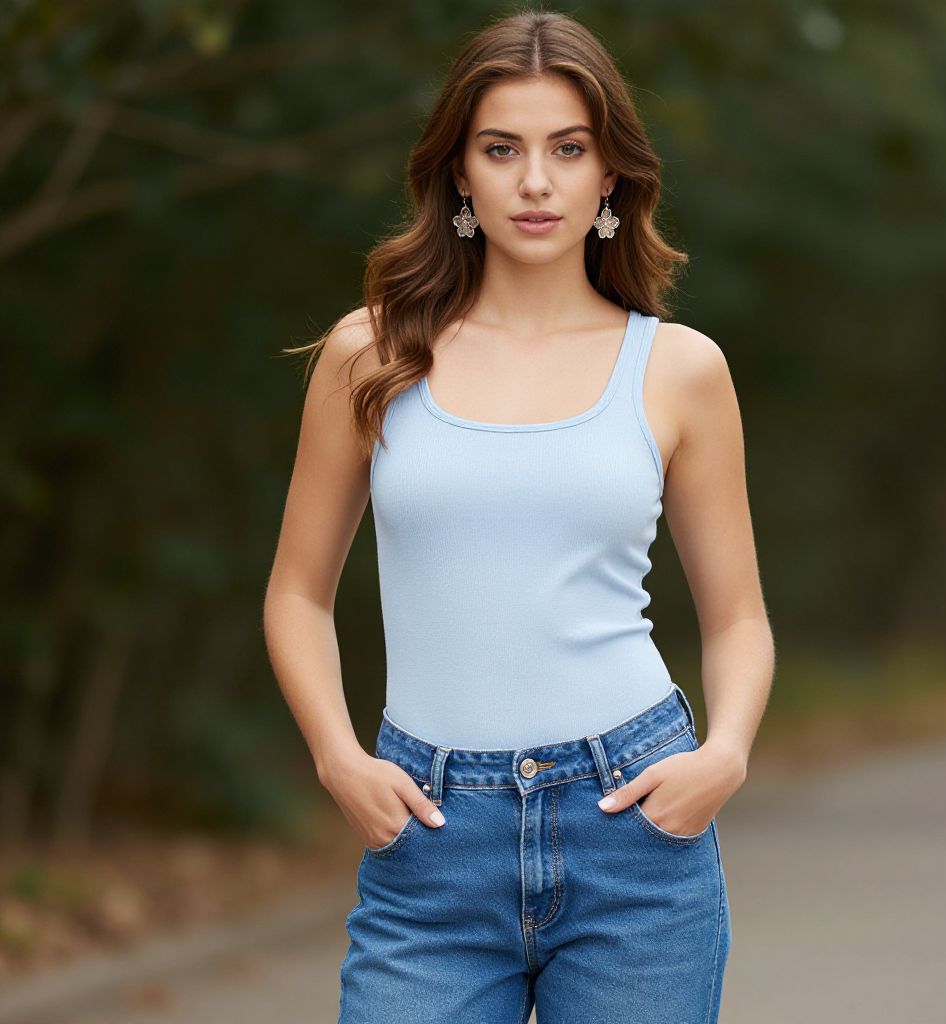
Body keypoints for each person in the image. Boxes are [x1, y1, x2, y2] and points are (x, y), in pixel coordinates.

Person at [263, 10, 774, 1023]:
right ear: (459, 173)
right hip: (430, 835)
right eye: (502, 149)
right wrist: (337, 759)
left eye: (566, 149)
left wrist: (724, 755)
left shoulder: (678, 369)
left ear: (608, 175)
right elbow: (294, 593)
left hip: (633, 828)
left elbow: (737, 619)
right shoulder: (370, 355)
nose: (534, 181)